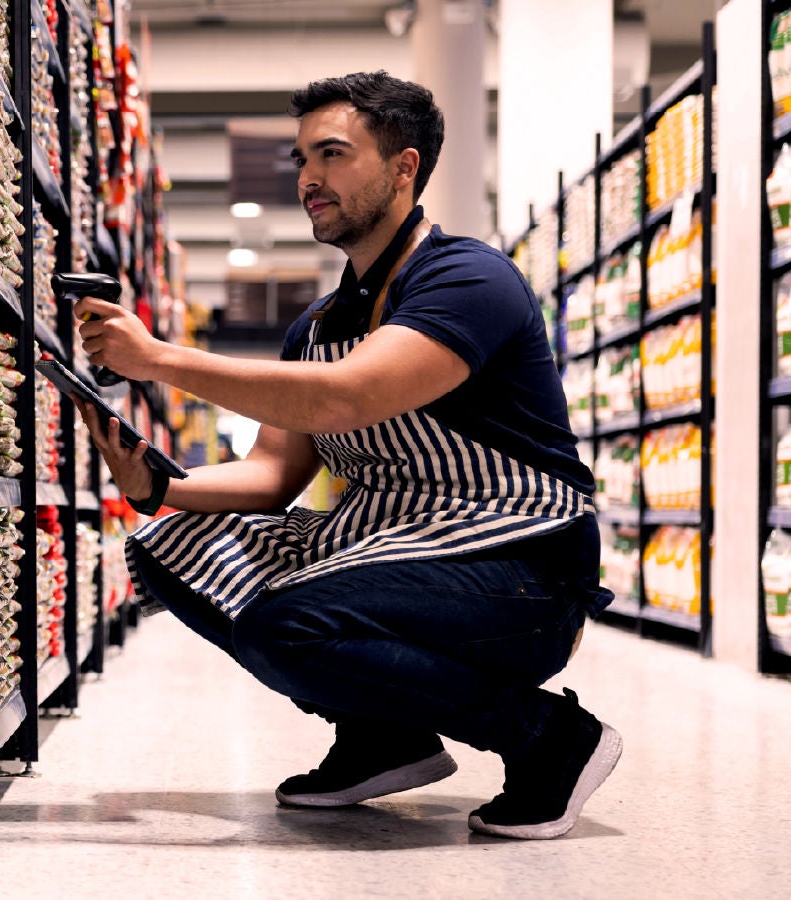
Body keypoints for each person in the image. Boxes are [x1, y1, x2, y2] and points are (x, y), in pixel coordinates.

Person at [74, 71, 620, 841]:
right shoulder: (321, 323)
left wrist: (159, 360)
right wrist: (157, 482)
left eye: (331, 155)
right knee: (163, 549)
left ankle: (549, 738)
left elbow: (348, 397)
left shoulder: (467, 279)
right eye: (300, 160)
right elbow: (273, 476)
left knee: (285, 624)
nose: (308, 178)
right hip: (394, 548)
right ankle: (383, 736)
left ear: (404, 167)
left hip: (521, 569)